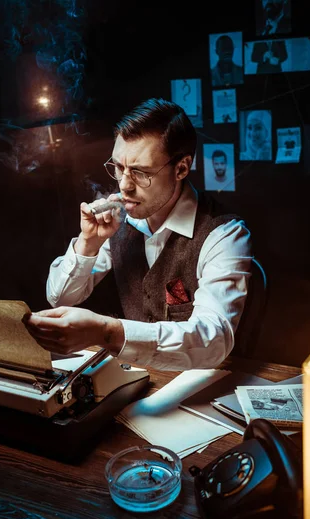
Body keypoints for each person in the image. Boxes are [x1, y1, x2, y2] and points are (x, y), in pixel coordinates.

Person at [24, 98, 253, 371]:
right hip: (137, 378)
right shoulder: (118, 221)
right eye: (119, 168)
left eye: (140, 172)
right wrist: (88, 244)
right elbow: (61, 299)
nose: (124, 186)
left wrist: (107, 331)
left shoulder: (225, 234)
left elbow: (215, 339)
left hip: (199, 387)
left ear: (181, 168)